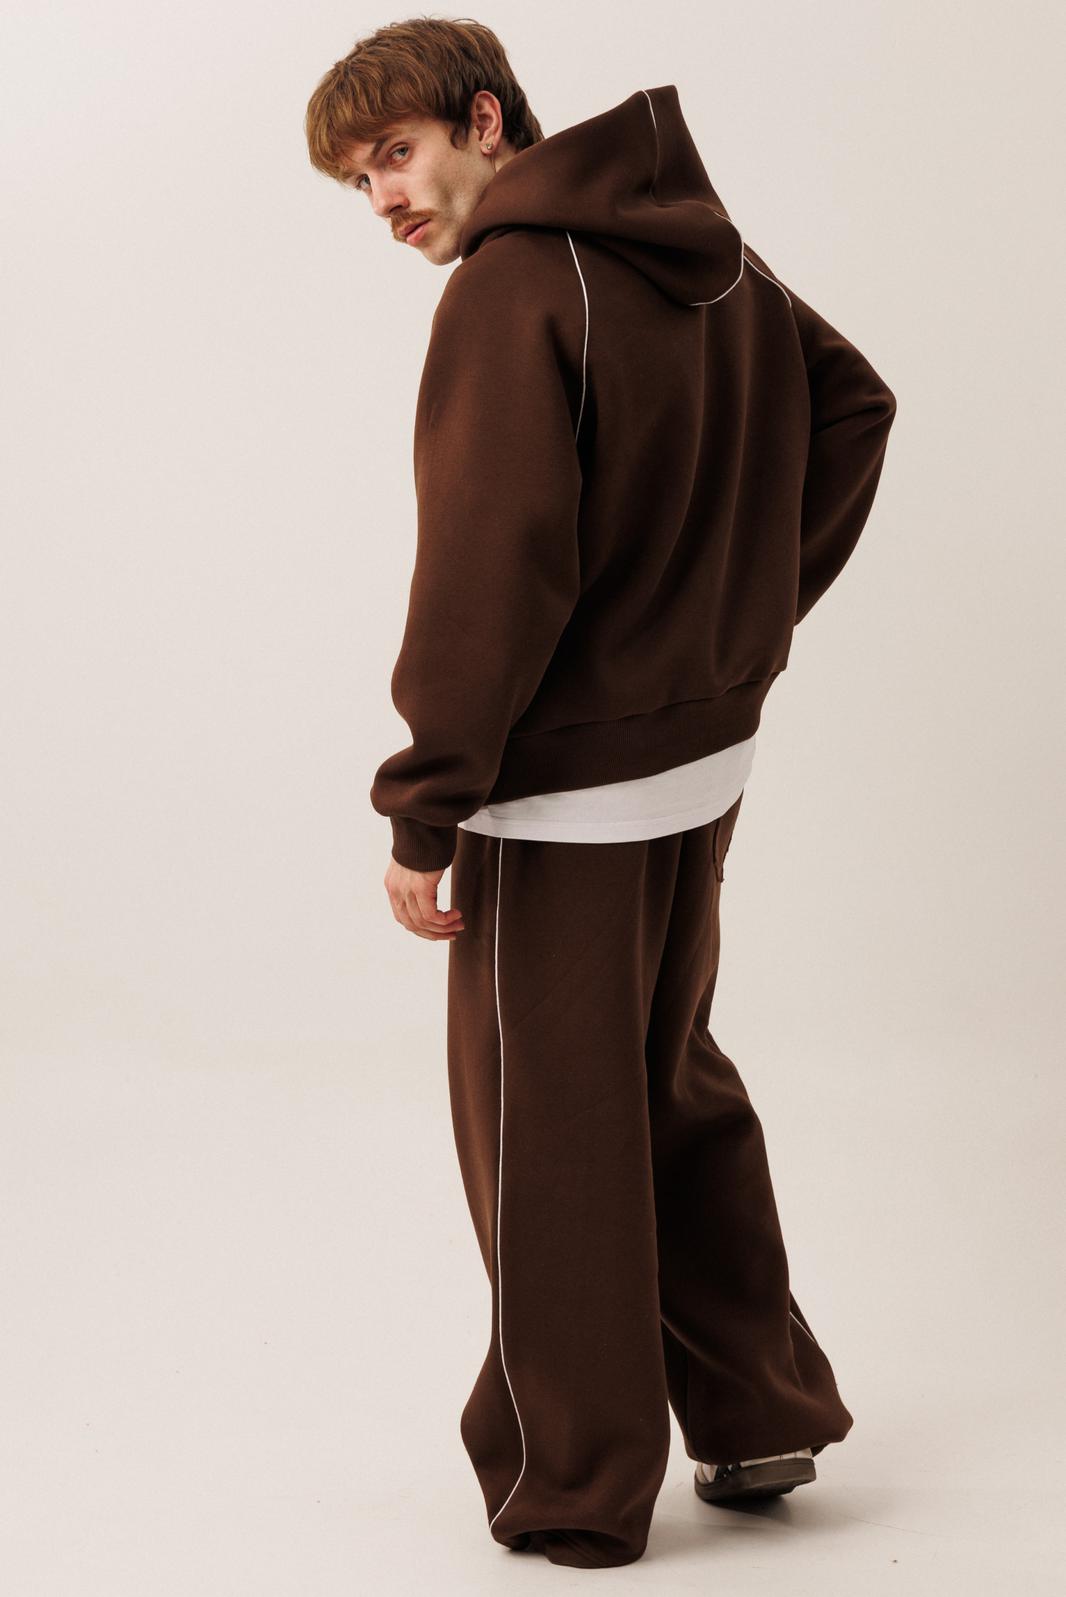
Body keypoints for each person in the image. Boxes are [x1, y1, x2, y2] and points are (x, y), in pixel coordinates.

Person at [306, 17, 896, 1571]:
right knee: (665, 1079)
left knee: (548, 1133)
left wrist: (424, 804)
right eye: (357, 180)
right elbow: (851, 404)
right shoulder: (699, 245)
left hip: (562, 794)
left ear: (485, 121)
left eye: (395, 155)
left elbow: (486, 571)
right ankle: (756, 1408)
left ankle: (575, 1480)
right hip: (699, 764)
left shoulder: (512, 285)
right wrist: (729, 626)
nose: (383, 200)